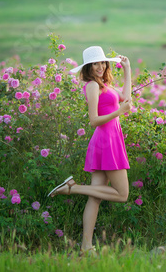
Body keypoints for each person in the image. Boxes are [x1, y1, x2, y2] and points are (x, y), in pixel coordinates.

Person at [47, 45, 132, 254]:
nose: (100, 66)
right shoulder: (92, 86)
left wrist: (128, 70)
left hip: (111, 140)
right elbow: (94, 120)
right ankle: (73, 188)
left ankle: (86, 247)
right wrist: (119, 112)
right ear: (88, 67)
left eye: (103, 62)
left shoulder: (105, 84)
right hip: (105, 141)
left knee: (95, 197)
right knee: (122, 195)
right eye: (95, 64)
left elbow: (126, 100)